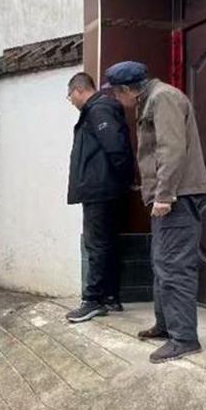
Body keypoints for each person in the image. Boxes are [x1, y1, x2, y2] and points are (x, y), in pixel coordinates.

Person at [105, 61, 206, 363]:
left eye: (116, 93)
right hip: (169, 197)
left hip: (176, 197)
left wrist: (164, 194)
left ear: (127, 89)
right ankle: (166, 326)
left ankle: (184, 338)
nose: (116, 100)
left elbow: (170, 148)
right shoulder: (151, 98)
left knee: (174, 267)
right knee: (162, 263)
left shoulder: (163, 98)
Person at [64, 72, 134, 323]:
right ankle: (110, 296)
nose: (71, 101)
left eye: (70, 96)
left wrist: (123, 179)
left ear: (79, 90)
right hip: (106, 187)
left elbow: (116, 147)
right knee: (108, 242)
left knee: (96, 244)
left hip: (100, 189)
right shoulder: (99, 109)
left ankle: (92, 300)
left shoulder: (98, 110)